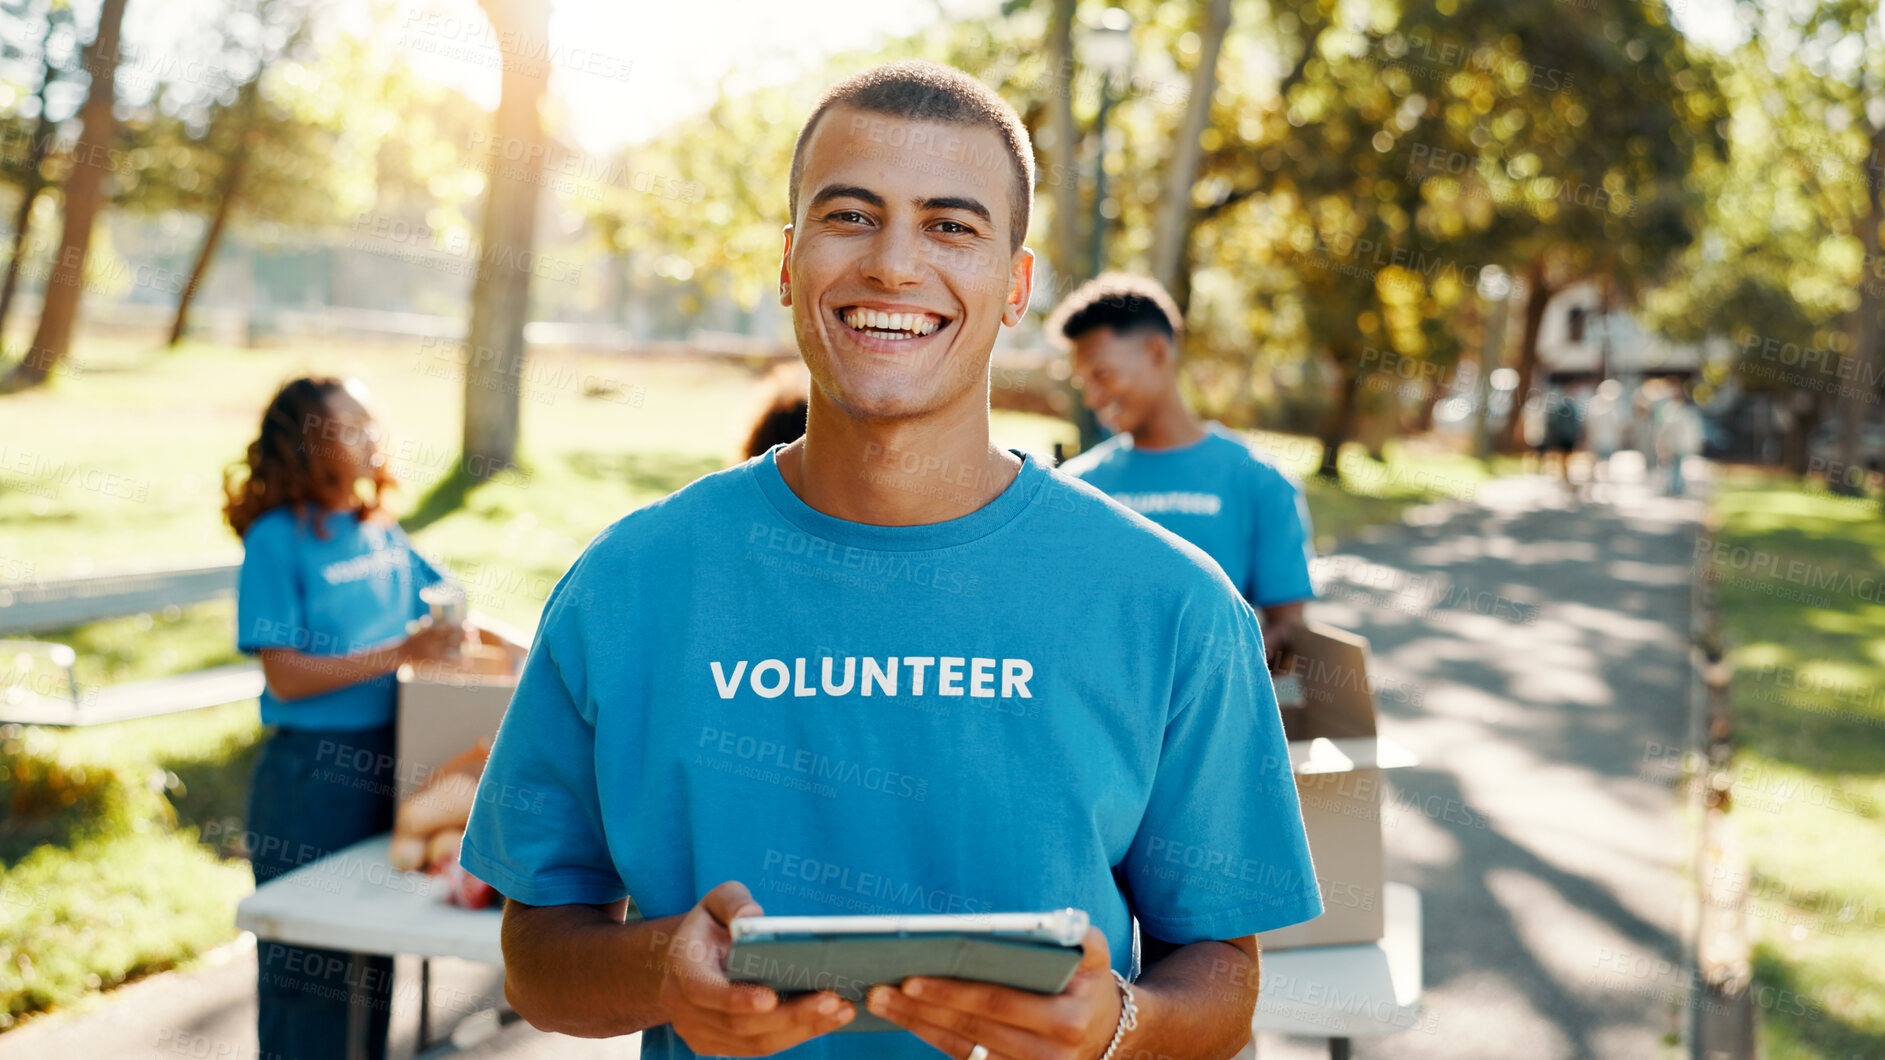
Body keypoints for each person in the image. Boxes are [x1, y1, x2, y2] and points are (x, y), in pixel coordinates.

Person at [461, 60, 1321, 1060]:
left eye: (951, 226)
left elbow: (1222, 974)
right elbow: (537, 954)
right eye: (850, 216)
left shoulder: (1173, 605)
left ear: (1015, 285)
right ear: (788, 262)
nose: (893, 267)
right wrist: (662, 969)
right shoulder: (625, 584)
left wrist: (1118, 1024)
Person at [224, 376, 524, 1060]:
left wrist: (532, 649)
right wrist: (401, 652)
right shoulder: (278, 541)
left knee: (370, 960)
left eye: (371, 423)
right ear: (310, 443)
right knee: (307, 968)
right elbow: (285, 675)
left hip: (390, 765)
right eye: (353, 426)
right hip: (308, 777)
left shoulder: (380, 530)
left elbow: (450, 608)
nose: (373, 438)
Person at [1049, 274, 1316, 668]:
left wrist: (1199, 678)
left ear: (1157, 352)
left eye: (1101, 373)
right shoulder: (1075, 486)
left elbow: (1289, 627)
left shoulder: (1259, 479)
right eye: (1082, 382)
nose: (1091, 396)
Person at [1653, 386, 1704, 495]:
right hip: (1675, 444)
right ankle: (1675, 486)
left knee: (1673, 466)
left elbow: (1664, 429)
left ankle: (1675, 486)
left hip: (1676, 444)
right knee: (1674, 466)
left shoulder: (1675, 412)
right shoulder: (1678, 412)